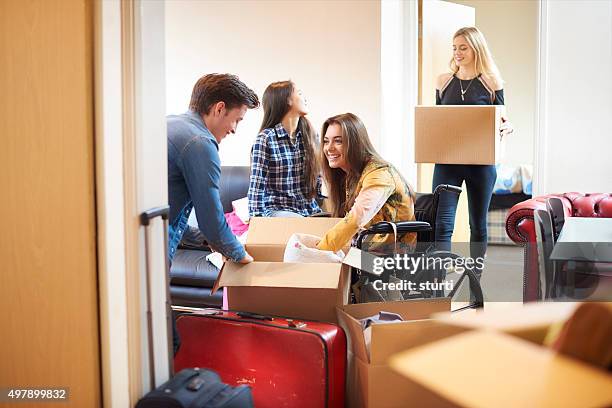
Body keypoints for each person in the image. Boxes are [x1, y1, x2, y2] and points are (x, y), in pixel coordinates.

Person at [433, 27, 513, 275]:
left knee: (477, 224)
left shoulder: (491, 82)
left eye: (463, 47)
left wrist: (507, 127)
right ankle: (440, 278)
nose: (457, 53)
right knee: (442, 223)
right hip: (447, 162)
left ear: (476, 48)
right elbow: (438, 120)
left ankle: (475, 277)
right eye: (454, 48)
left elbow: (502, 119)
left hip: (481, 164)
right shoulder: (443, 81)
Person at [167, 73, 259, 265]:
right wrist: (240, 255)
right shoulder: (200, 143)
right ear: (219, 108)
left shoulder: (171, 124)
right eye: (237, 120)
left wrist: (203, 238)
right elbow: (212, 222)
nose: (234, 129)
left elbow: (168, 212)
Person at [316, 113, 416, 253]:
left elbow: (356, 219)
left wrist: (319, 250)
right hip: (364, 252)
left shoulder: (379, 174)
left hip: (390, 259)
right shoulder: (352, 174)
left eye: (338, 141)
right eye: (326, 141)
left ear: (355, 143)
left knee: (319, 264)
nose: (329, 148)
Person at [248, 81, 322, 217]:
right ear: (287, 100)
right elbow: (256, 190)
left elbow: (318, 186)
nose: (304, 98)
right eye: (299, 93)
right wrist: (257, 226)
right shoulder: (266, 139)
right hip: (278, 211)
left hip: (310, 211)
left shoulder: (311, 136)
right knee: (301, 224)